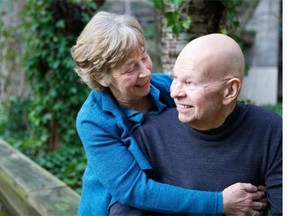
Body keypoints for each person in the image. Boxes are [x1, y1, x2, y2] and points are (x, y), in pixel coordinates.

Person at [71, 12, 267, 216]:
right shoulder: (93, 120)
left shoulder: (168, 88)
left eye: (144, 56)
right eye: (130, 69)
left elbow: (208, 139)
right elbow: (134, 190)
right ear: (101, 77)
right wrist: (219, 203)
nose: (146, 72)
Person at [110, 33, 282, 215]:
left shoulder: (270, 131)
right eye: (175, 78)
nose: (174, 92)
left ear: (229, 91)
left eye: (189, 83)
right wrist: (219, 204)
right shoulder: (149, 135)